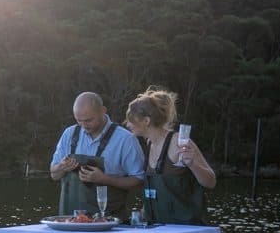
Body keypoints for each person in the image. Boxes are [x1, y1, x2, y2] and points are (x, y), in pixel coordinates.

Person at [126, 87, 215, 225]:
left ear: (146, 121)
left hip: (186, 230)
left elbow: (210, 182)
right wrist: (142, 214)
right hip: (158, 228)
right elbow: (157, 192)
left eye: (131, 120)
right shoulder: (150, 143)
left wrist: (192, 164)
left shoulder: (178, 142)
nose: (127, 124)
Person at [49, 92, 144, 221]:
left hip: (110, 225)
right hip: (69, 223)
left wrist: (105, 179)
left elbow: (139, 182)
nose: (84, 125)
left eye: (89, 120)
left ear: (103, 111)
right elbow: (54, 175)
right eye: (79, 120)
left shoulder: (126, 139)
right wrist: (61, 166)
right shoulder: (69, 134)